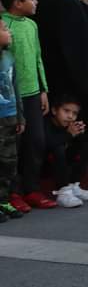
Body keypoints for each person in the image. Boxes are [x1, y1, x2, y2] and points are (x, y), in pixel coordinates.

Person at [36, 0, 88, 202]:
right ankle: (63, 187)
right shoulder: (64, 5)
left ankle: (74, 182)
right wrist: (83, 84)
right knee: (67, 135)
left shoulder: (64, 3)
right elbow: (73, 48)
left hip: (67, 81)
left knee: (79, 135)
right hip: (70, 84)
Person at [0, 0, 50, 212]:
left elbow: (38, 58)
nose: (35, 1)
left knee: (36, 141)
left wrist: (43, 89)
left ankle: (32, 188)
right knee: (13, 146)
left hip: (32, 93)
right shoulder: (4, 26)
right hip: (12, 97)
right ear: (17, 3)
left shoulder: (32, 25)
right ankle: (12, 192)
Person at [43, 96, 88, 208]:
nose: (70, 116)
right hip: (43, 166)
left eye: (74, 113)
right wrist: (68, 134)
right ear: (54, 110)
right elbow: (47, 145)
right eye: (66, 111)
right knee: (58, 149)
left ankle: (73, 186)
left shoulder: (70, 125)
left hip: (64, 165)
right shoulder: (45, 124)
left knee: (85, 146)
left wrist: (80, 133)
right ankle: (63, 191)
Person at [0, 17, 25, 222]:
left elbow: (15, 87)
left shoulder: (9, 57)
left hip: (9, 116)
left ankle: (3, 199)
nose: (9, 32)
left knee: (9, 161)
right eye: (4, 29)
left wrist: (20, 116)